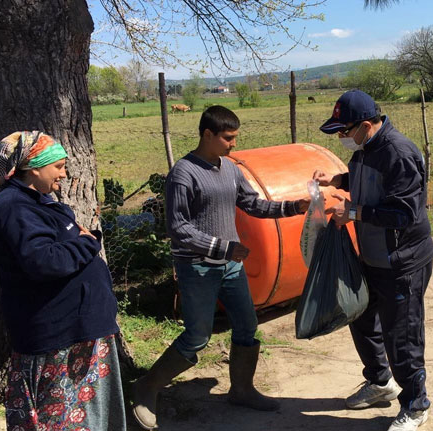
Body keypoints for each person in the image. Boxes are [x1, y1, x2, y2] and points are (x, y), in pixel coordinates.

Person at [132, 105, 310, 430]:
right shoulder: (183, 173)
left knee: (246, 325)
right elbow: (178, 228)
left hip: (229, 267)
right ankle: (146, 388)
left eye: (235, 138)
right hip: (197, 268)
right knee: (197, 336)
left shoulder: (229, 169)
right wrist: (224, 247)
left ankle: (242, 390)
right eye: (228, 138)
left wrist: (293, 206)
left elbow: (253, 203)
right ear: (208, 134)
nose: (233, 145)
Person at [0, 131, 126, 431]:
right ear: (34, 166)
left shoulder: (37, 201)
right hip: (57, 338)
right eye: (59, 166)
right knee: (58, 421)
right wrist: (89, 242)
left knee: (85, 420)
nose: (65, 173)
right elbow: (44, 261)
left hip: (75, 333)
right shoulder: (14, 206)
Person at [313, 90, 433, 431]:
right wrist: (338, 181)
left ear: (366, 125)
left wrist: (350, 211)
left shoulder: (398, 153)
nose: (341, 138)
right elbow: (367, 179)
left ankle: (416, 403)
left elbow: (404, 213)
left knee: (402, 335)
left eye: (344, 131)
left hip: (402, 261)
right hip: (373, 256)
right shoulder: (367, 148)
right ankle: (381, 382)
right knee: (363, 319)